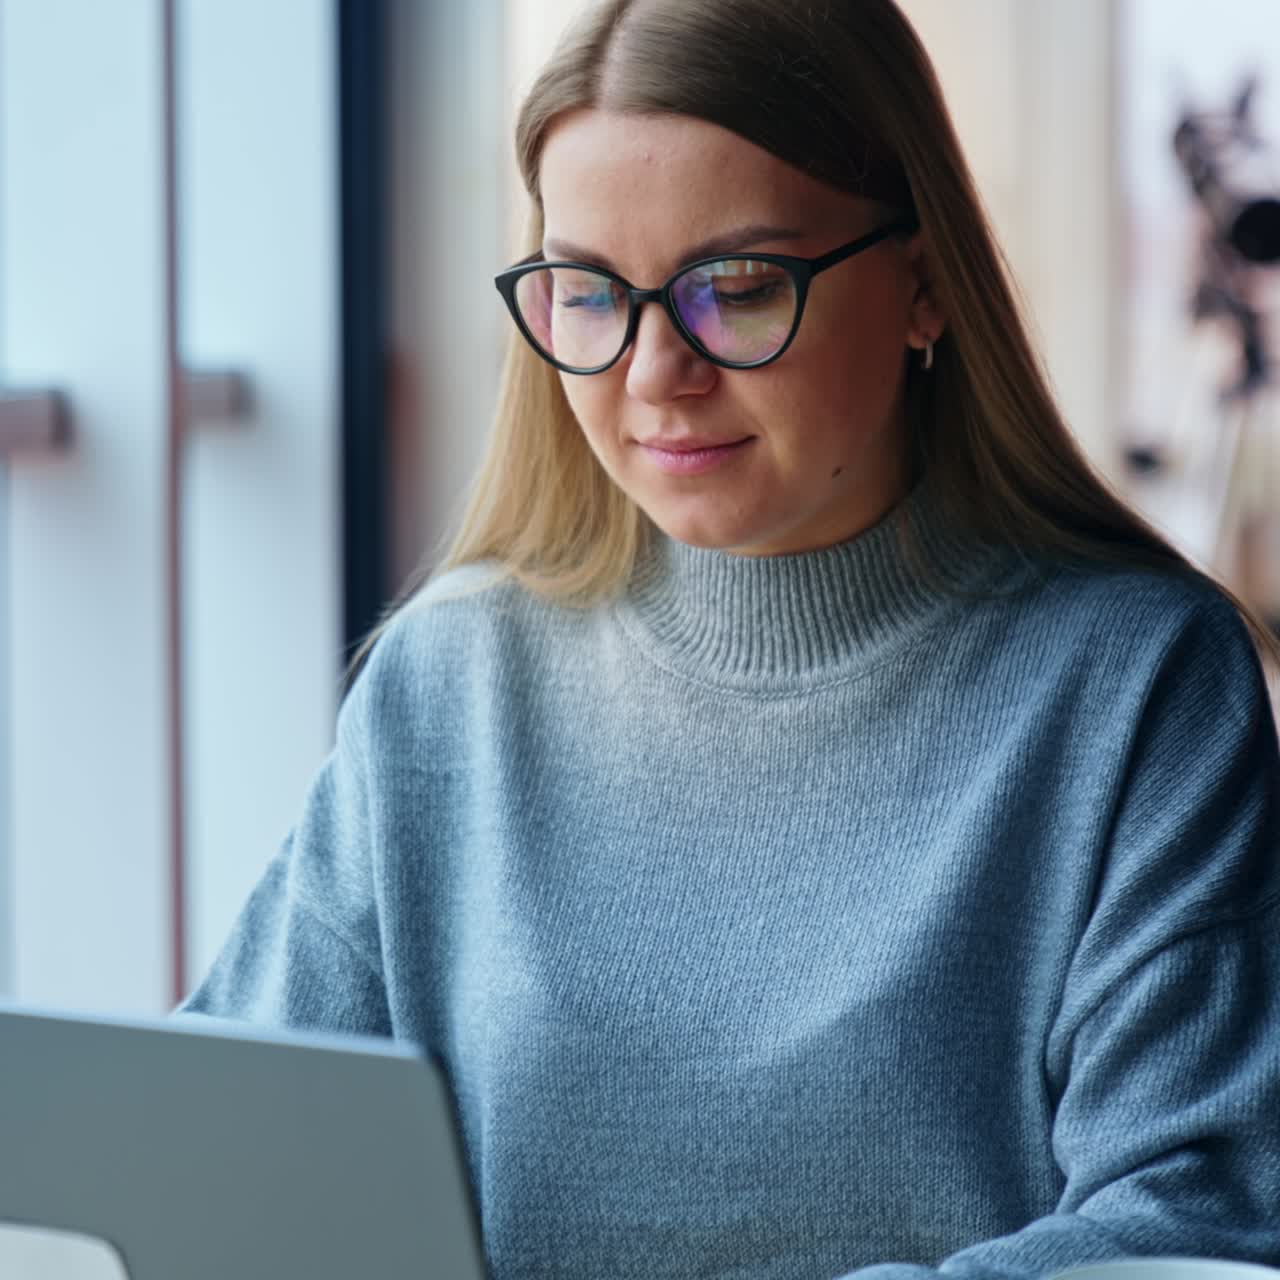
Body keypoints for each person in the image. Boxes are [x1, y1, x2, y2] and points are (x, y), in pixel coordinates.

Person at [180, 1, 1280, 1276]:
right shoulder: (447, 686)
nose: (654, 371)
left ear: (921, 283)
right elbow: (218, 1152)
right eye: (589, 292)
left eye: (737, 288)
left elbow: (1192, 1220)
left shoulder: (1138, 687)